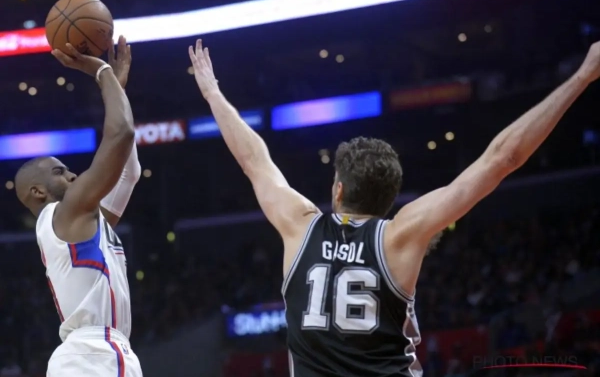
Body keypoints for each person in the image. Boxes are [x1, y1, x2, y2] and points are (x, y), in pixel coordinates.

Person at [188, 39, 600, 376]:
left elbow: (254, 159)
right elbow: (502, 159)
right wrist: (583, 75)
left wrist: (212, 93)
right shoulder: (399, 235)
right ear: (389, 199)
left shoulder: (299, 225)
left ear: (338, 190)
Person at [15, 36, 143, 377]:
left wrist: (117, 90)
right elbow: (121, 133)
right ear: (38, 192)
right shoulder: (65, 212)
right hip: (93, 355)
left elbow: (128, 174)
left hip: (93, 355)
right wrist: (102, 72)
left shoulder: (82, 220)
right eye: (60, 172)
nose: (72, 175)